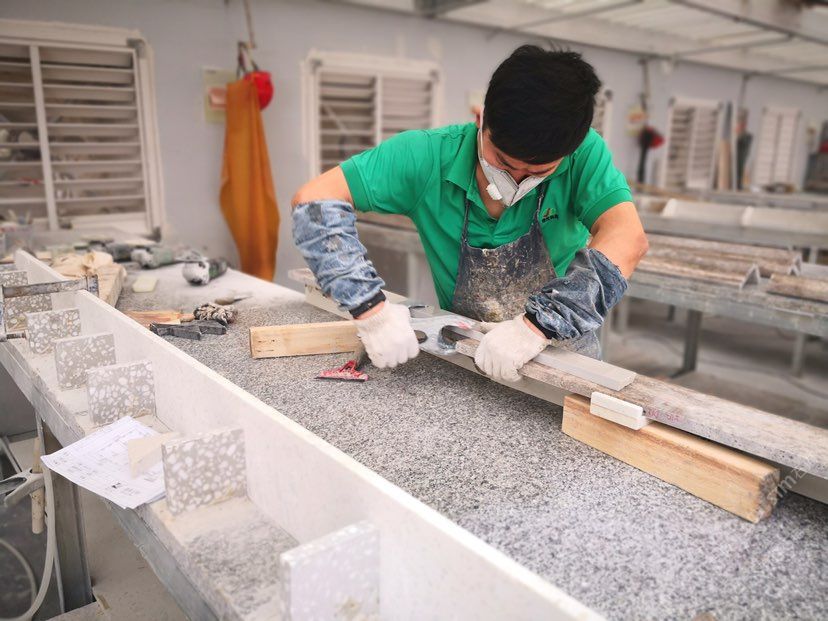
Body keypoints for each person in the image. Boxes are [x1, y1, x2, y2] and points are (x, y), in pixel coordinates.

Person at [292, 45, 648, 382]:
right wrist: (370, 310)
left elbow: (627, 239)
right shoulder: (427, 156)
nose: (517, 179)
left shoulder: (584, 154)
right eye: (503, 162)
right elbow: (313, 201)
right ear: (480, 118)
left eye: (538, 171)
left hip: (562, 358)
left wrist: (536, 327)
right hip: (468, 354)